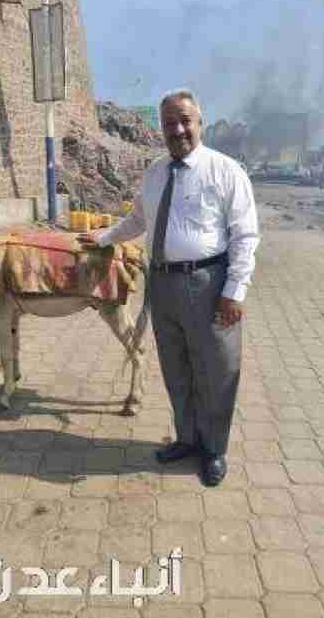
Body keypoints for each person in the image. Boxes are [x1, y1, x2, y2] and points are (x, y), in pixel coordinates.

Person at [78, 89, 260, 487]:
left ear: (200, 123)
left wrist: (235, 290)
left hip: (210, 283)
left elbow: (245, 235)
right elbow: (138, 220)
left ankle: (213, 449)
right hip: (162, 285)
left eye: (185, 121)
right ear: (161, 128)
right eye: (169, 123)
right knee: (176, 369)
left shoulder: (226, 171)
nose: (177, 130)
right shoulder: (156, 172)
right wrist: (104, 237)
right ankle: (187, 438)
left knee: (215, 370)